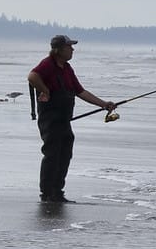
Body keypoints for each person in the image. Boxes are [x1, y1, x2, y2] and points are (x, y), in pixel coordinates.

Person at [27, 35, 115, 203]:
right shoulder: (48, 64)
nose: (72, 49)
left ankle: (57, 191)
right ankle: (47, 194)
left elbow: (80, 91)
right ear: (58, 50)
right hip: (50, 118)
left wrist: (103, 104)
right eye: (69, 47)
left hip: (64, 118)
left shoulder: (67, 68)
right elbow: (32, 76)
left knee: (65, 154)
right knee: (52, 154)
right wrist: (45, 90)